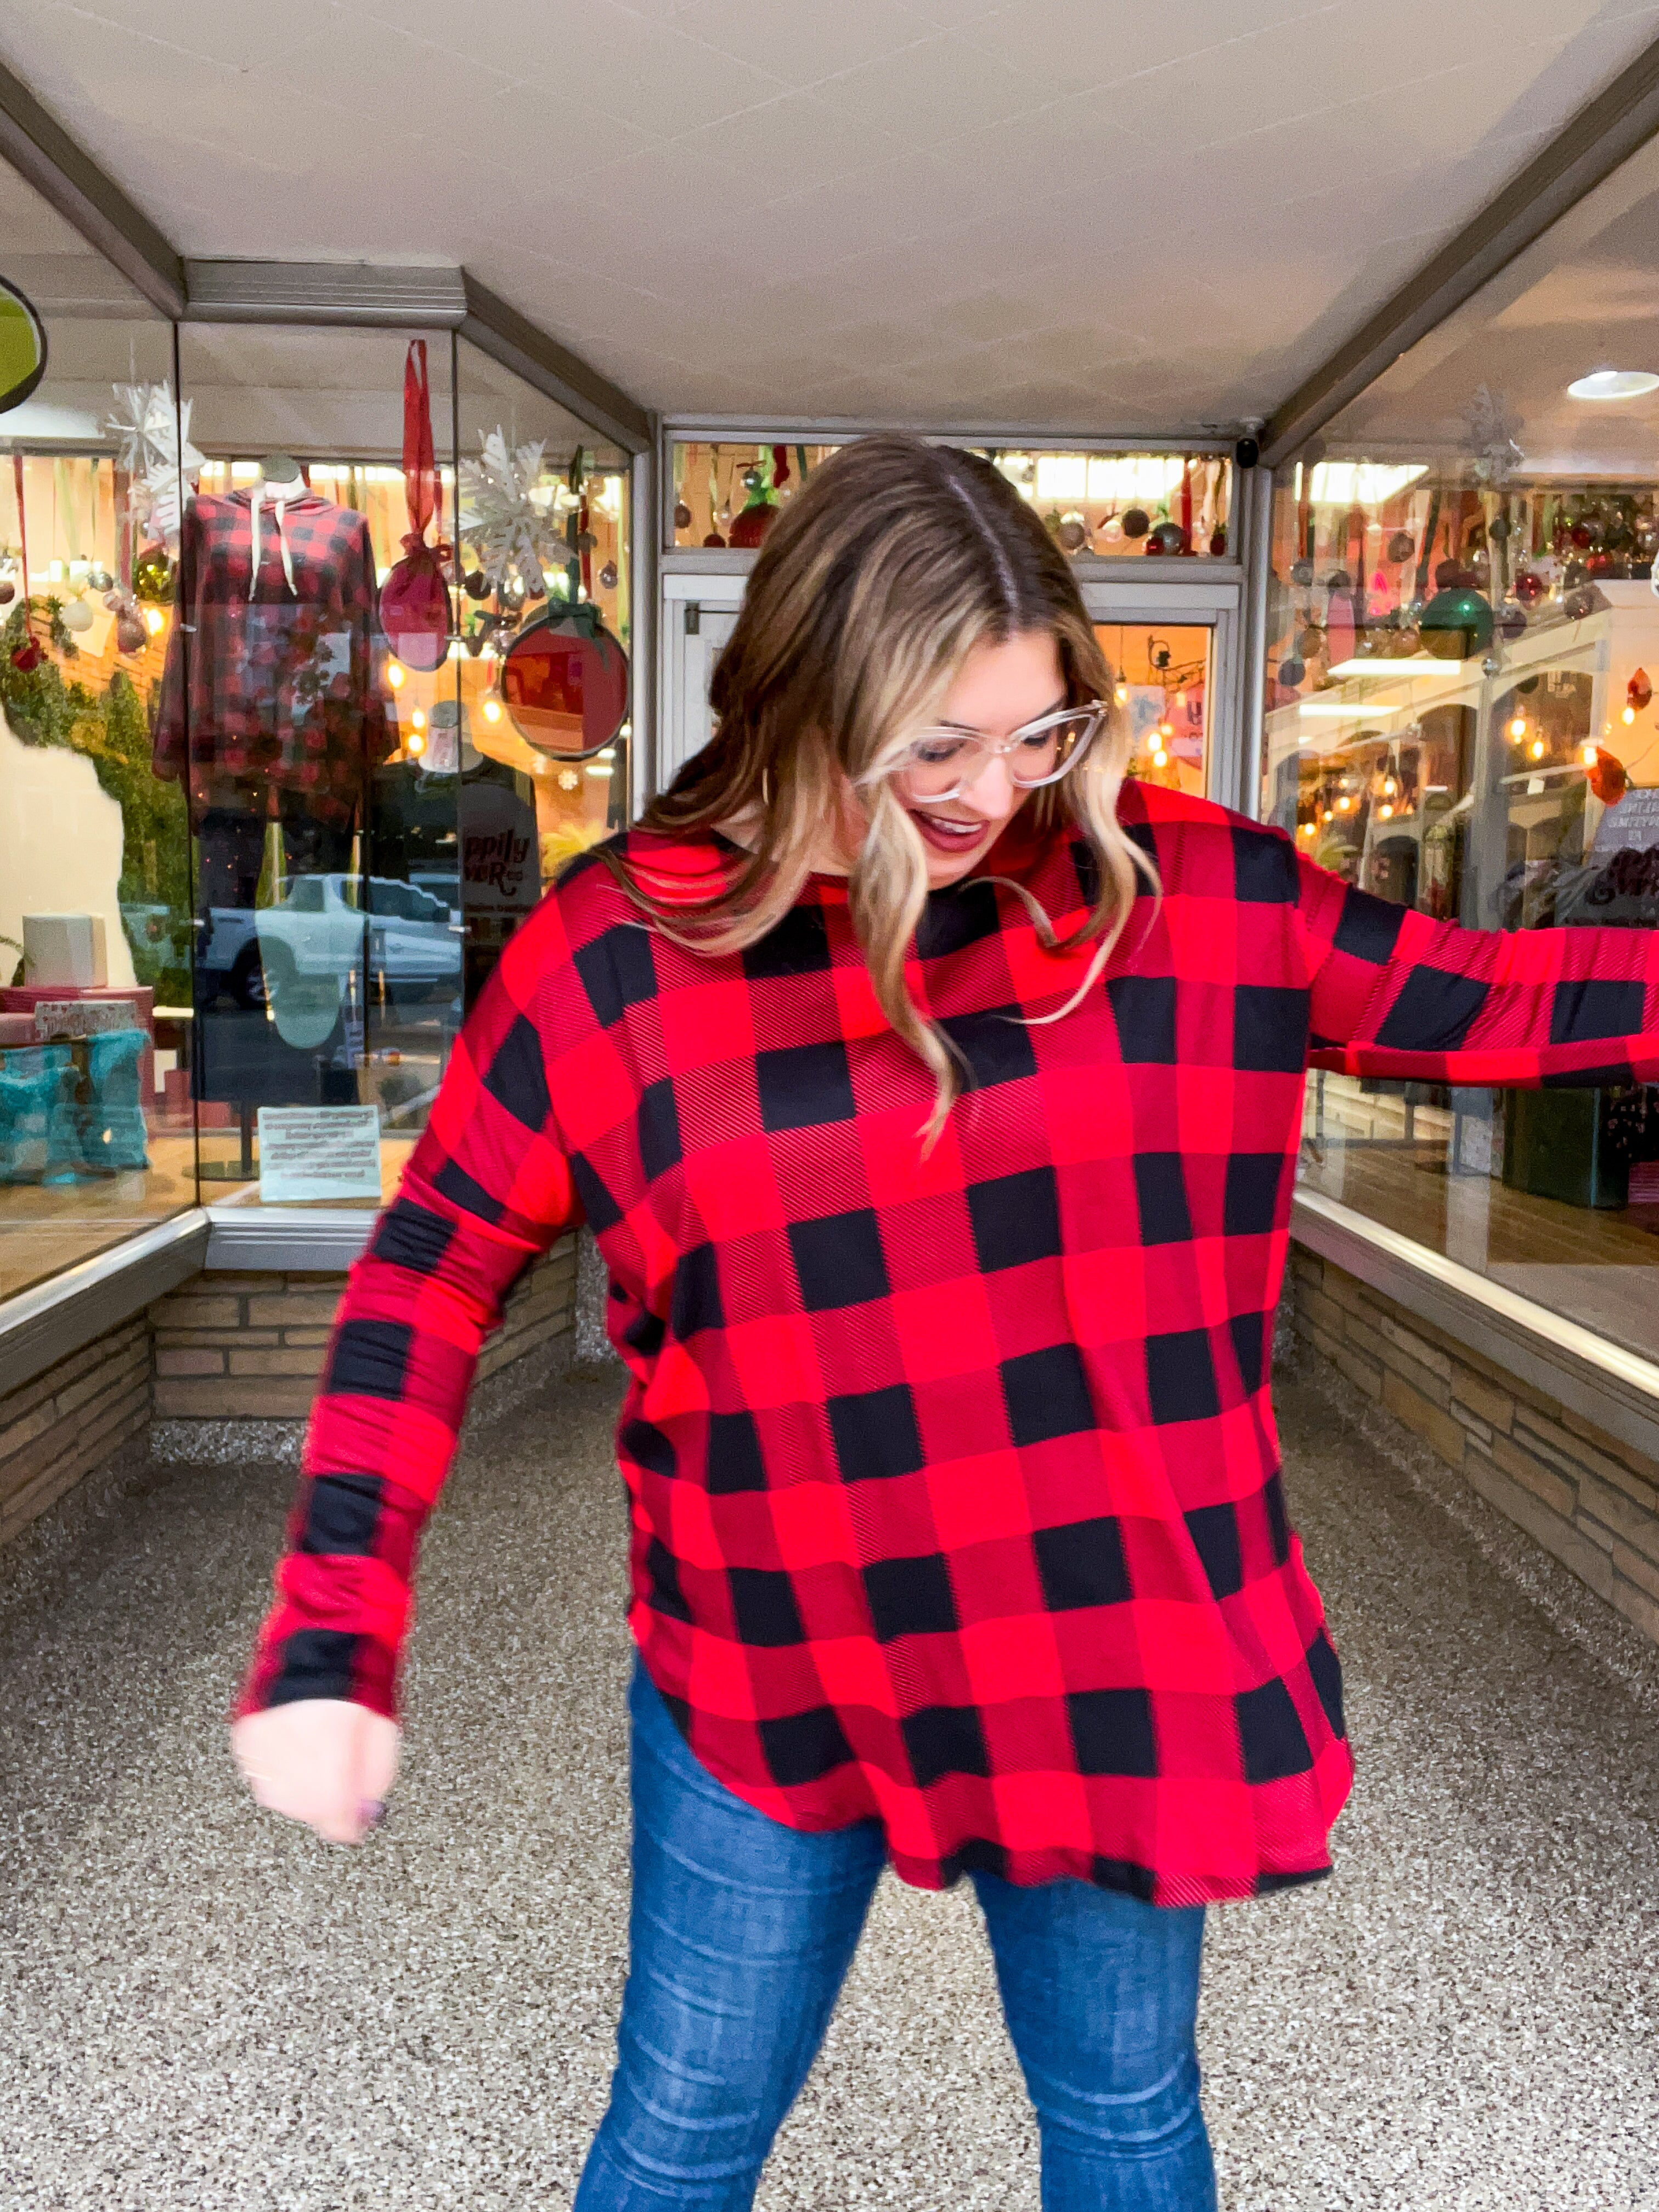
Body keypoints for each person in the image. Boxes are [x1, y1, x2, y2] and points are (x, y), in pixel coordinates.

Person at [230, 435, 1659, 2210]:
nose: (1000, 790)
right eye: (937, 746)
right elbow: (428, 1262)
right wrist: (333, 1623)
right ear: (797, 703)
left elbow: (1500, 997)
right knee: (681, 2140)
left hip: (1104, 1646)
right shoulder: (624, 962)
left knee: (1126, 2126)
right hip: (770, 1652)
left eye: (1042, 730)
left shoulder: (1187, 899)